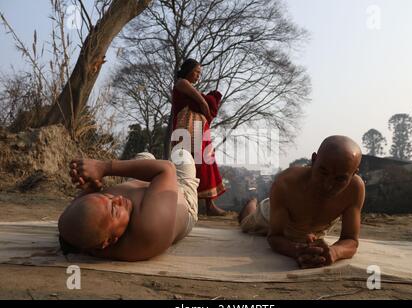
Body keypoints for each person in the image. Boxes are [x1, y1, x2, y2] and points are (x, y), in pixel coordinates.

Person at [239, 136, 365, 269]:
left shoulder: (355, 189)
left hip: (312, 230)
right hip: (269, 214)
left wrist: (334, 252)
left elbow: (351, 240)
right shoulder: (286, 183)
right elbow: (275, 236)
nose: (328, 185)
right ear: (314, 160)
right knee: (246, 223)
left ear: (353, 174)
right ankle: (251, 204)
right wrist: (296, 251)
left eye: (340, 179)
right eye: (323, 172)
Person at [58, 149, 199, 262]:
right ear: (110, 241)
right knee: (181, 154)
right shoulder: (149, 229)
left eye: (106, 197)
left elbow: (71, 219)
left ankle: (146, 162)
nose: (118, 198)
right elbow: (166, 169)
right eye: (114, 209)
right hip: (180, 193)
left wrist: (90, 189)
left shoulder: (73, 228)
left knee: (144, 154)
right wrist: (105, 167)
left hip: (140, 184)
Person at [171, 58, 226, 216]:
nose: (198, 76)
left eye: (199, 73)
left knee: (206, 161)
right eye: (196, 72)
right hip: (186, 128)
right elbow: (202, 102)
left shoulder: (187, 86)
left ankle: (209, 205)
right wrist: (208, 113)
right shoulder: (181, 83)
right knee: (189, 163)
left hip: (198, 129)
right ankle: (184, 204)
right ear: (188, 70)